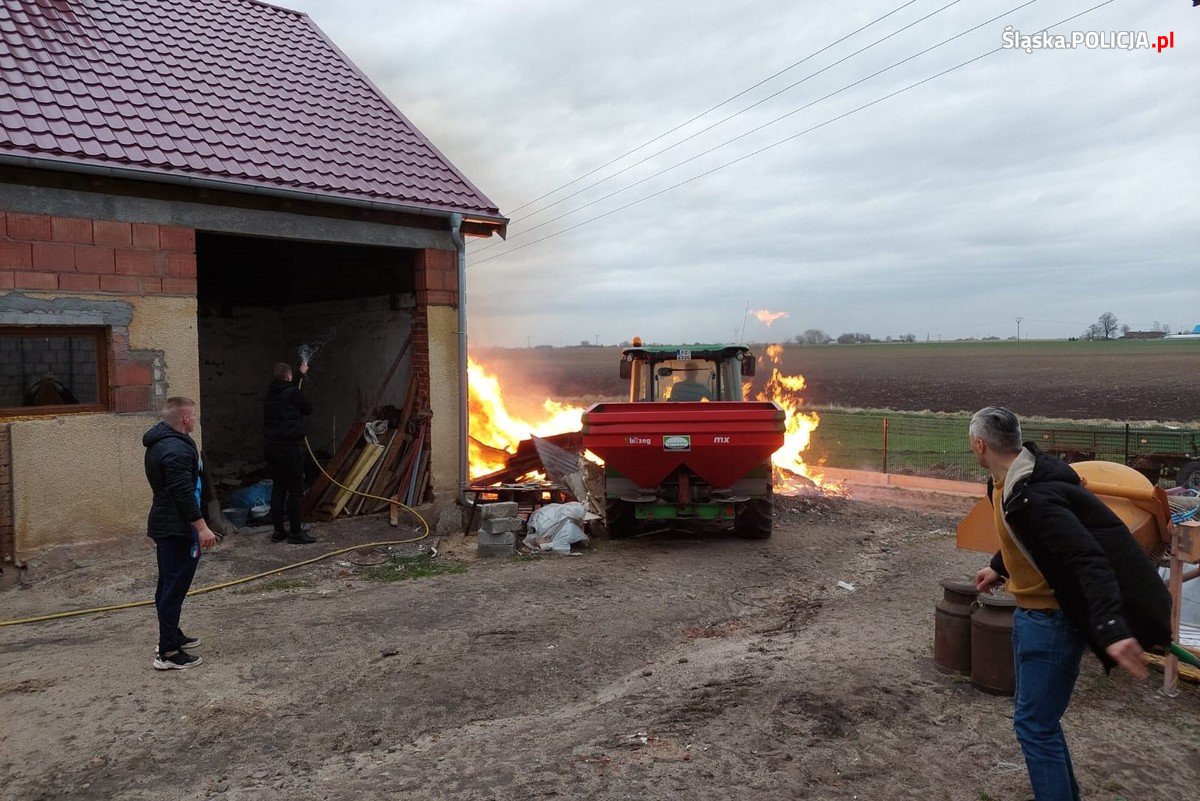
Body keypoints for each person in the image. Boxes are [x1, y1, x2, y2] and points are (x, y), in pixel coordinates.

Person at [969, 406, 1171, 801]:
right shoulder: (1009, 481)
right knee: (1038, 722)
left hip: (1051, 622)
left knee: (1035, 727)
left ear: (979, 445)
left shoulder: (1033, 494)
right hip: (1033, 615)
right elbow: (1030, 535)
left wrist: (1111, 627)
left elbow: (1088, 557)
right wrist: (999, 566)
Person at [143, 396, 218, 670]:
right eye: (194, 415)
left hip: (169, 523)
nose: (196, 419)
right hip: (175, 527)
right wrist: (202, 527)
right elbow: (182, 493)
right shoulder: (175, 450)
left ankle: (171, 634)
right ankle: (168, 652)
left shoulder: (167, 441)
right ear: (185, 418)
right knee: (173, 587)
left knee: (169, 584)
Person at [264, 361, 314, 544]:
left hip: (272, 448)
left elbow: (286, 387)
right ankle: (295, 532)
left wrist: (300, 374)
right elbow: (308, 408)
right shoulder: (294, 393)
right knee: (295, 491)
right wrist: (299, 377)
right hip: (290, 448)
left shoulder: (271, 392)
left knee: (279, 488)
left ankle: (278, 531)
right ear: (288, 375)